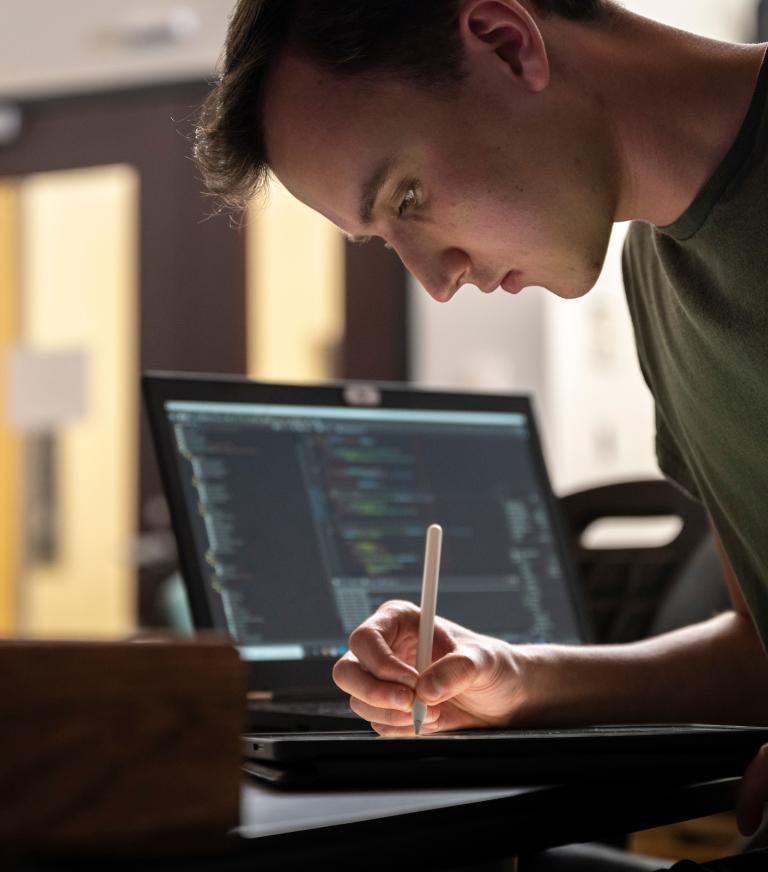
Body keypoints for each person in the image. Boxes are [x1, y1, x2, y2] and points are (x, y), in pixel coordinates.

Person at [194, 1, 768, 868]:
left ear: (506, 42)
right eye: (386, 240)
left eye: (409, 197)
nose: (437, 281)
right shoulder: (661, 279)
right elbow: (758, 653)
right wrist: (516, 676)